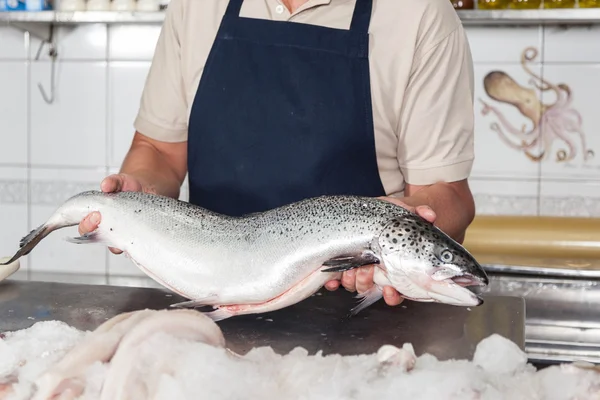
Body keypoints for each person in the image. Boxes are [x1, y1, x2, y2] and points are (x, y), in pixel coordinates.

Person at [78, 0, 476, 308]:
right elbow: (157, 151)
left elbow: (448, 194)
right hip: (213, 303)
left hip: (360, 321)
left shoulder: (420, 14)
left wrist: (397, 232)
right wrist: (138, 195)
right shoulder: (199, 5)